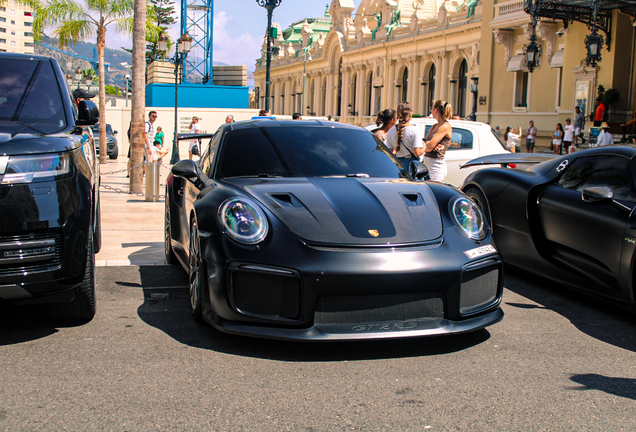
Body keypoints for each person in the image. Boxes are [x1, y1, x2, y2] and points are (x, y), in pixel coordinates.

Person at [385, 102, 424, 169]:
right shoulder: (414, 130)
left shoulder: (391, 130)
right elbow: (417, 153)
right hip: (411, 164)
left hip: (397, 164)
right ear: (410, 115)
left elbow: (390, 153)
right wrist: (424, 147)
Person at [422, 100, 453, 182]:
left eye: (431, 109)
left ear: (436, 110)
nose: (431, 111)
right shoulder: (434, 126)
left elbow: (429, 146)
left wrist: (428, 144)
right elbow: (423, 142)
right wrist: (428, 144)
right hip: (427, 163)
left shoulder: (445, 126)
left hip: (436, 165)